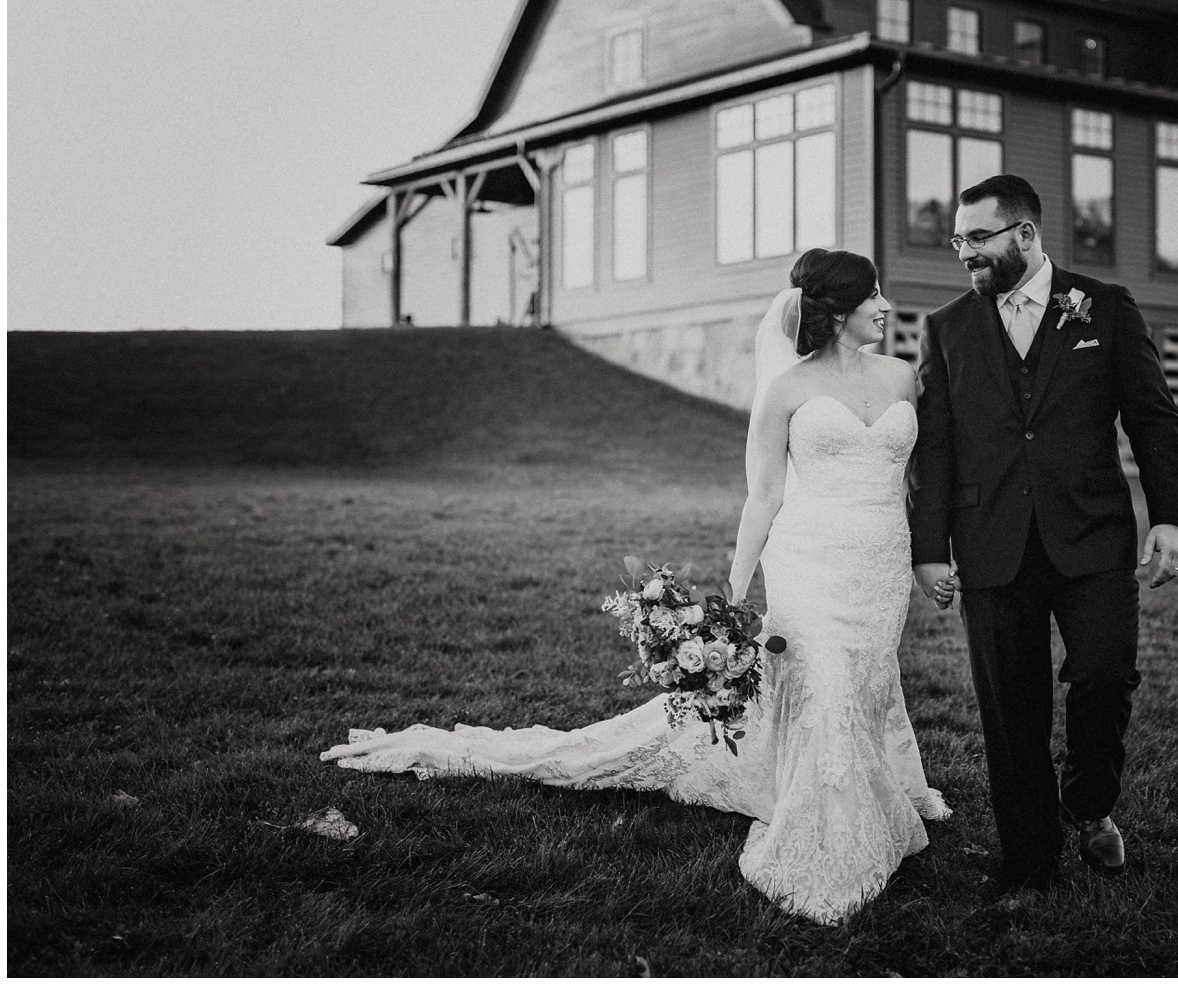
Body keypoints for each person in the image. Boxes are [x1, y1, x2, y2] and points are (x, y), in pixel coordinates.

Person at [322, 248, 951, 926]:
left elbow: (923, 479)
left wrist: (931, 556)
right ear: (835, 311)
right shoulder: (786, 390)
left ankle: (867, 782)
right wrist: (732, 602)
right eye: (874, 295)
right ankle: (829, 834)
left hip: (879, 563)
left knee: (863, 683)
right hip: (809, 561)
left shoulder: (903, 378)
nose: (886, 305)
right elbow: (763, 496)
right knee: (825, 683)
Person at [908, 174, 1178, 895]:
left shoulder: (1108, 308)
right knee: (1010, 708)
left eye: (978, 237)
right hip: (991, 540)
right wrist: (929, 547)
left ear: (1025, 235)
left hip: (1092, 534)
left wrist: (1168, 518)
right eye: (957, 240)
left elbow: (1152, 420)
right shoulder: (946, 328)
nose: (964, 252)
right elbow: (935, 447)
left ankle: (1090, 802)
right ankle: (1030, 859)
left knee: (1103, 673)